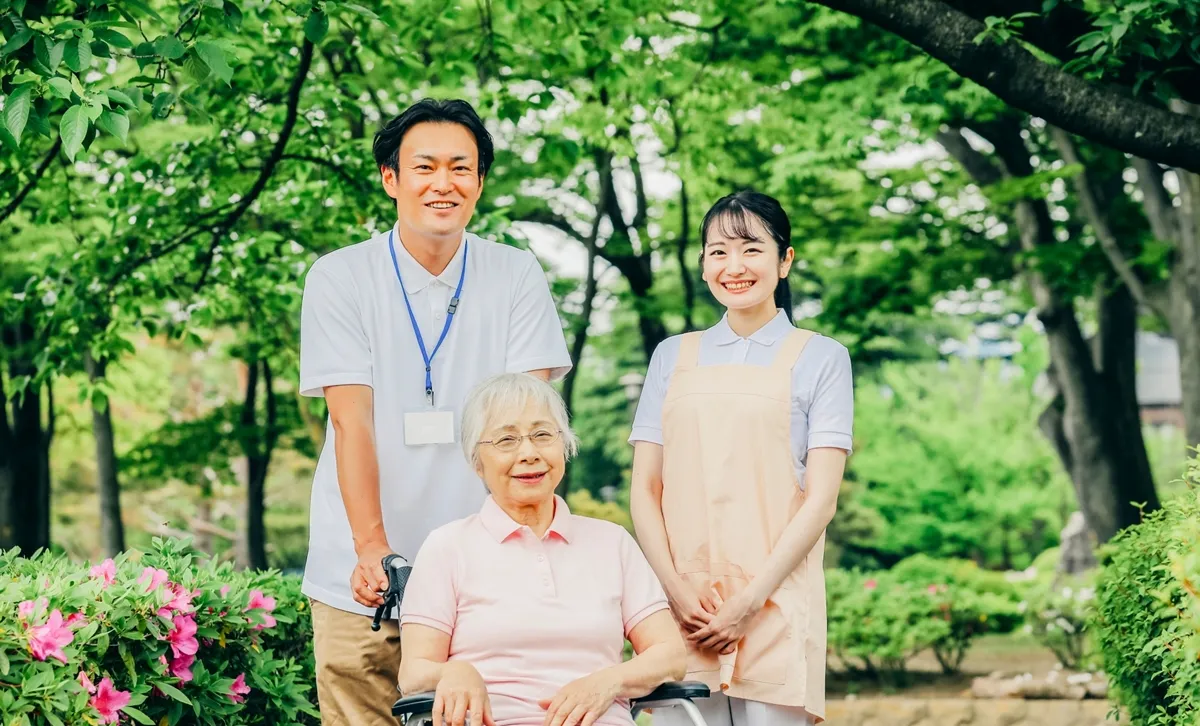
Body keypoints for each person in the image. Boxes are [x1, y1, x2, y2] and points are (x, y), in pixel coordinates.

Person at [298, 99, 573, 725]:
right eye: (424, 166)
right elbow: (351, 421)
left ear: (479, 182)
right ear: (391, 178)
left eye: (461, 168)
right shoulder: (340, 276)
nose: (443, 183)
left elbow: (527, 428)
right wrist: (373, 548)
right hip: (359, 573)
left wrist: (515, 551)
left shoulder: (515, 274)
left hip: (485, 573)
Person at [627, 191, 854, 726]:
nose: (733, 267)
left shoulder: (822, 357)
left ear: (785, 260)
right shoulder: (671, 356)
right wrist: (677, 592)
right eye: (717, 251)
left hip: (775, 600)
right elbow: (645, 490)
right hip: (687, 607)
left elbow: (820, 500)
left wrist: (750, 601)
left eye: (751, 249)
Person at [398, 373, 687, 726]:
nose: (529, 453)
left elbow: (670, 654)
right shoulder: (447, 547)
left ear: (564, 445)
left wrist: (609, 681)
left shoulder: (612, 543)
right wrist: (454, 673)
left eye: (543, 435)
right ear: (477, 461)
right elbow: (413, 672)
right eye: (506, 440)